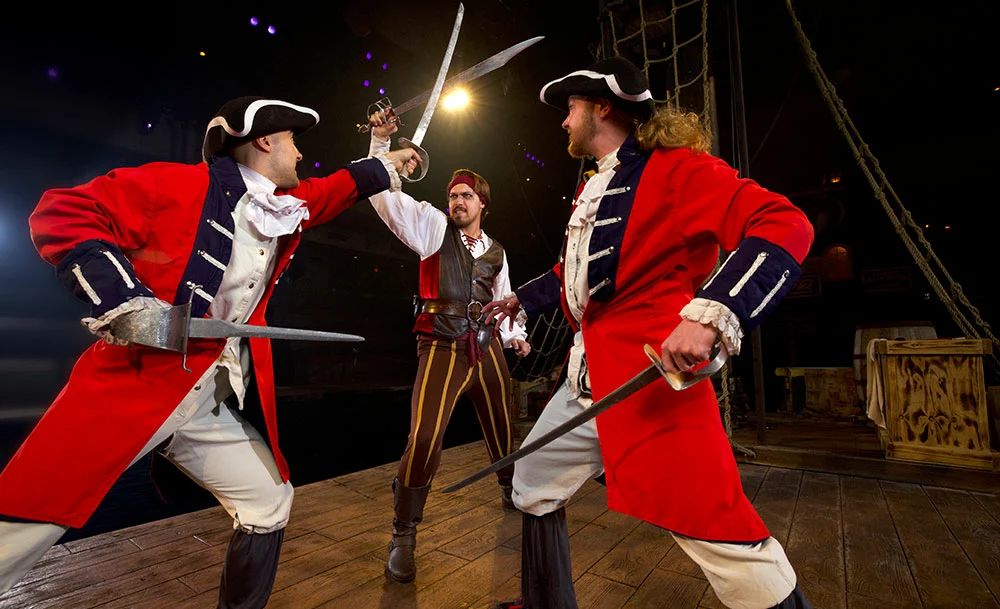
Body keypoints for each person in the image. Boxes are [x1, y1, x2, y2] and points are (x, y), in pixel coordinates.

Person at [0, 96, 419, 608]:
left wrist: (387, 161)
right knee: (18, 528)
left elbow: (337, 188)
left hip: (205, 394)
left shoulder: (283, 205)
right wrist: (126, 298)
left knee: (269, 503)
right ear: (265, 140)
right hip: (137, 385)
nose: (301, 155)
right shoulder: (176, 184)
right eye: (293, 141)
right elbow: (62, 211)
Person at [484, 57, 816, 609]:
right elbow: (582, 273)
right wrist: (521, 297)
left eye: (570, 109)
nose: (564, 123)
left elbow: (786, 225)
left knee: (719, 532)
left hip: (648, 383)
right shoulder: (597, 184)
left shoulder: (678, 171)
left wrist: (709, 314)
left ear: (602, 107)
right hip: (585, 380)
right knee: (532, 479)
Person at [366, 110, 532, 583]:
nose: (456, 201)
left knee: (502, 424)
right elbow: (384, 198)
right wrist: (382, 145)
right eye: (452, 195)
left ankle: (508, 488)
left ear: (482, 203)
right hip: (441, 345)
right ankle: (404, 534)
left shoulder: (498, 251)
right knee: (424, 437)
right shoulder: (432, 228)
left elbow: (505, 303)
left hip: (486, 347)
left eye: (465, 196)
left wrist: (514, 337)